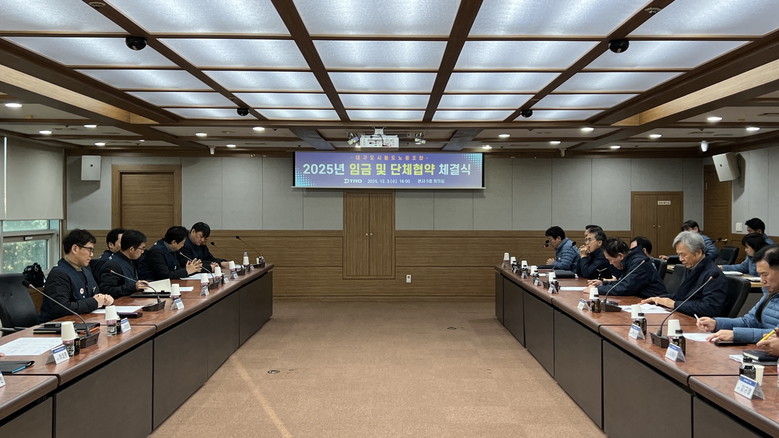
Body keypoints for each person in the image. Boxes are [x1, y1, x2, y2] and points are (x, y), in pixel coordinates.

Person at [698, 245, 779, 343]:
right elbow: (749, 321)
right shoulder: (770, 294)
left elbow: (775, 335)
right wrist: (716, 323)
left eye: (765, 275)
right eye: (760, 275)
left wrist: (736, 334)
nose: (762, 280)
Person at [642, 231, 729, 317]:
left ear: (698, 253)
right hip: (685, 316)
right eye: (678, 255)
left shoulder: (713, 275)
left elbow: (711, 308)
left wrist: (674, 304)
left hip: (699, 322)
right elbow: (682, 296)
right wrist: (659, 298)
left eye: (683, 255)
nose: (680, 259)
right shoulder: (692, 267)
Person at [39, 229, 114, 323]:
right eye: (89, 250)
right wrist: (95, 302)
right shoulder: (58, 274)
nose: (92, 254)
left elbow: (94, 296)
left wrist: (104, 299)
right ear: (75, 249)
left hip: (85, 321)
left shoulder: (85, 271)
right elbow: (61, 308)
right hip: (60, 326)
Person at [587, 238, 667, 299]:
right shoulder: (629, 261)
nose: (610, 263)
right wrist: (603, 283)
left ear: (620, 256)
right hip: (639, 299)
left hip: (655, 303)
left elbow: (626, 288)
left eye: (610, 260)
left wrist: (596, 289)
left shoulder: (639, 263)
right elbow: (623, 282)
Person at [97, 230, 149, 298]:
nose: (142, 252)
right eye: (141, 249)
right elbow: (106, 290)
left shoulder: (130, 261)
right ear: (131, 249)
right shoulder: (113, 265)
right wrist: (132, 287)